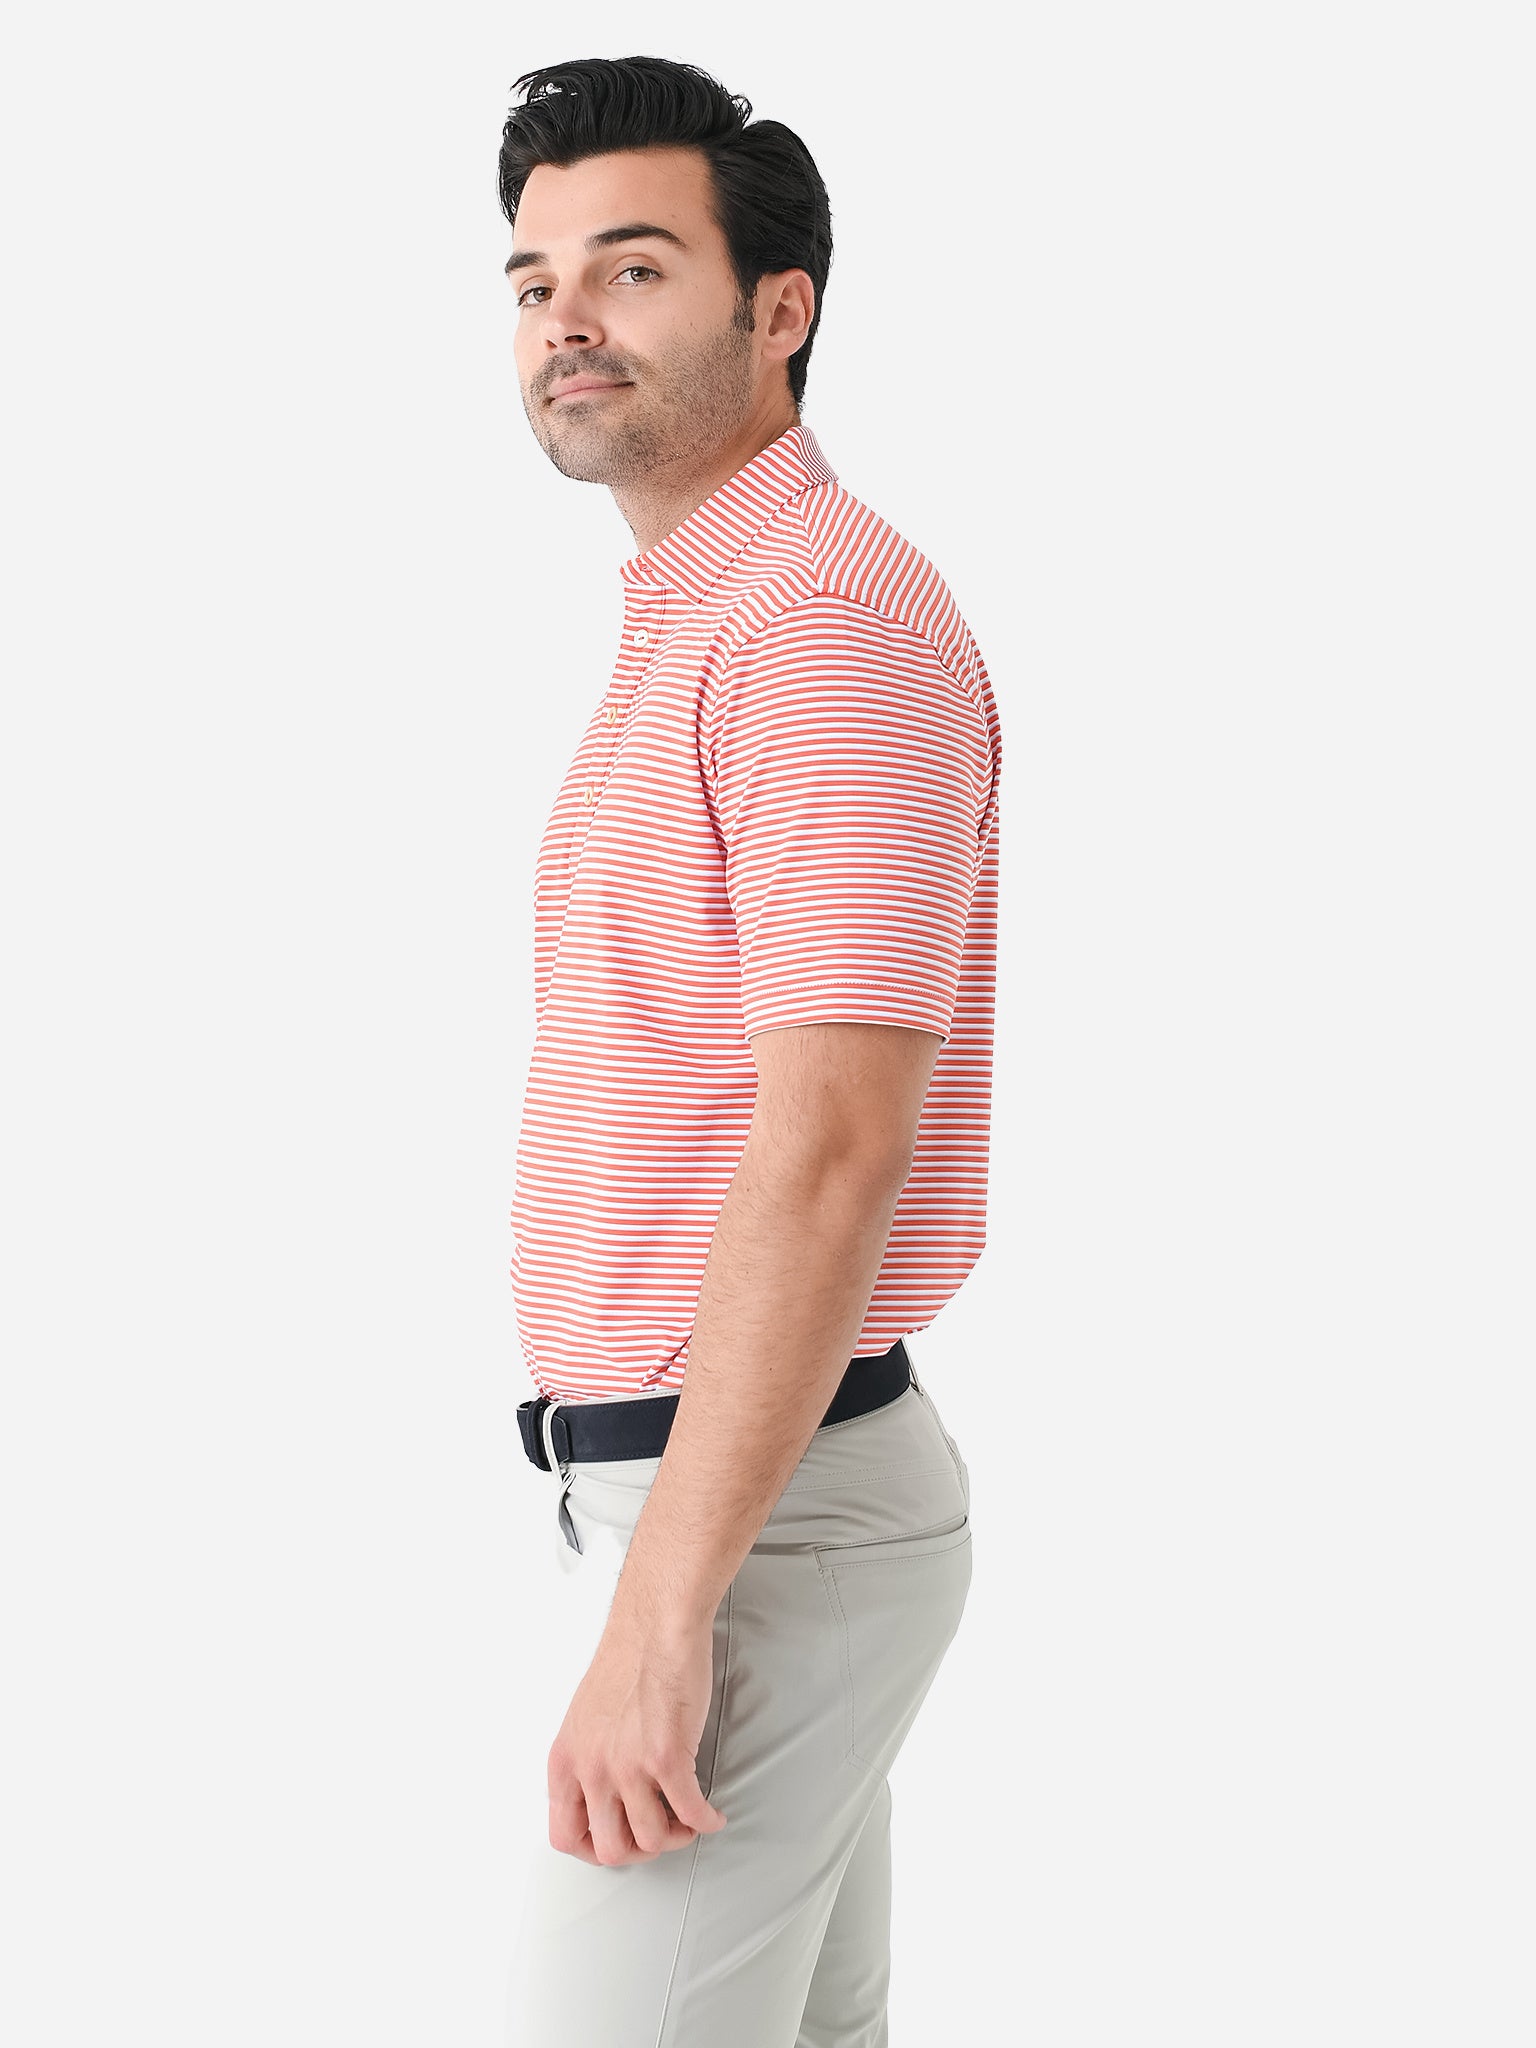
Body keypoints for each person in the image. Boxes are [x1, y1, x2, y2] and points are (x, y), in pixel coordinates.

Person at [498, 54, 1002, 2047]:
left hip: (757, 1512)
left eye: (633, 269)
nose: (568, 320)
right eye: (534, 281)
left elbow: (834, 1144)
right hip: (739, 1499)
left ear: (779, 308)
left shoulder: (813, 628)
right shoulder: (712, 613)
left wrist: (666, 1613)